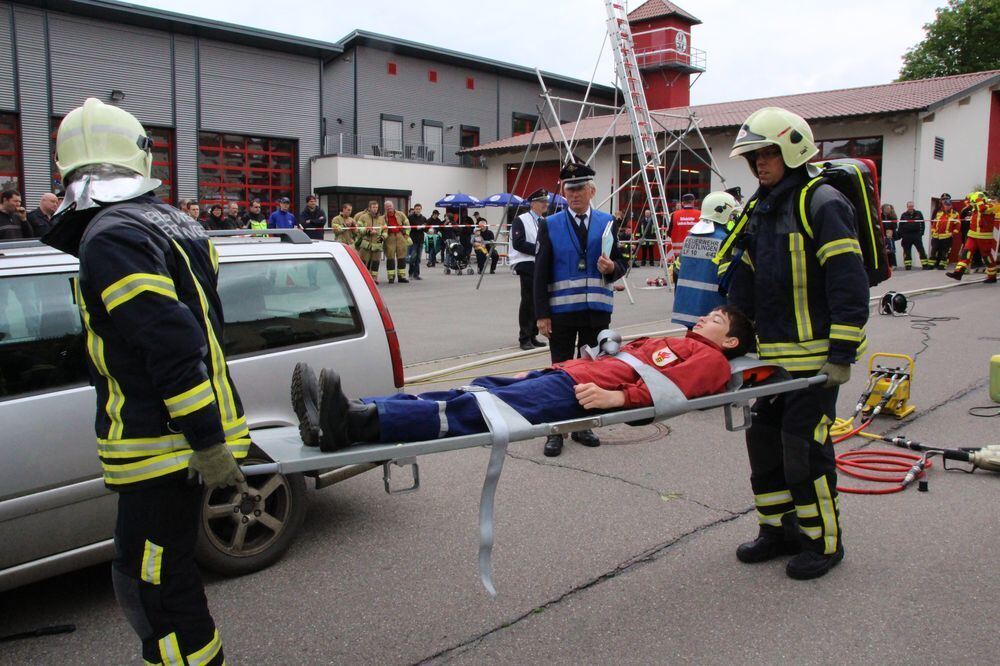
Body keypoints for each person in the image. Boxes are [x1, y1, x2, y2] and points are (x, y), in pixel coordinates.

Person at [41, 98, 246, 665]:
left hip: (163, 446)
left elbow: (171, 346)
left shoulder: (110, 236)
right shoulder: (170, 221)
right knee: (159, 578)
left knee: (155, 589)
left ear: (70, 167)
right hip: (181, 438)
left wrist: (205, 443)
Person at [726, 106, 869, 580]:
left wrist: (841, 356)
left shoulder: (822, 202)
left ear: (792, 149)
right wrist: (731, 340)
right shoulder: (760, 207)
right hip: (771, 361)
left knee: (803, 447)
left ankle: (823, 542)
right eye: (753, 158)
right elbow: (744, 279)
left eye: (766, 154)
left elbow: (848, 283)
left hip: (815, 361)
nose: (759, 164)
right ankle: (778, 530)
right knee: (762, 442)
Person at [296, 306, 753, 451]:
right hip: (567, 374)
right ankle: (350, 412)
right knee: (473, 392)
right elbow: (617, 359)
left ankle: (355, 424)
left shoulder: (709, 359)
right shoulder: (682, 341)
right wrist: (544, 369)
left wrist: (616, 402)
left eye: (717, 320)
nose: (706, 319)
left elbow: (667, 391)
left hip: (582, 392)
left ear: (730, 343)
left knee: (472, 414)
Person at [534, 160, 627, 457]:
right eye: (569, 190)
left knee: (590, 370)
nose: (574, 195)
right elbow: (540, 273)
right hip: (561, 313)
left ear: (591, 190)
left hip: (596, 312)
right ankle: (557, 430)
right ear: (563, 192)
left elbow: (623, 263)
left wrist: (613, 267)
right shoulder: (550, 224)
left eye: (580, 189)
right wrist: (541, 315)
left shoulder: (607, 222)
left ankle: (582, 424)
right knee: (560, 371)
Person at [671, 191, 738, 327]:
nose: (733, 219)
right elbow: (729, 281)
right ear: (722, 214)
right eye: (732, 216)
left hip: (687, 310)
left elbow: (677, 271)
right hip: (713, 313)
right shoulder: (724, 241)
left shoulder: (689, 238)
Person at [510, 189, 549, 350]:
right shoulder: (521, 220)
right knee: (528, 300)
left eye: (546, 201)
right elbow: (518, 243)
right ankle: (524, 337)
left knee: (537, 300)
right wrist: (540, 250)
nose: (545, 204)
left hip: (538, 263)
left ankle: (532, 335)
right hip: (525, 263)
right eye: (542, 202)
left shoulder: (543, 221)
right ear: (533, 204)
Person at [947, 191, 997, 283]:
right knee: (966, 253)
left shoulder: (991, 206)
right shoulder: (975, 208)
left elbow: (982, 209)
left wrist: (978, 199)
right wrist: (973, 198)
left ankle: (992, 276)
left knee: (987, 257)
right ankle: (958, 273)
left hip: (984, 237)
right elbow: (973, 205)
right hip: (972, 235)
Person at [380, 199, 410, 283]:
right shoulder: (383, 218)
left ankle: (402, 277)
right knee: (390, 257)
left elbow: (407, 224)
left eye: (390, 206)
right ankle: (391, 277)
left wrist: (406, 235)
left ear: (393, 206)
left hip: (400, 236)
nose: (389, 208)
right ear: (385, 207)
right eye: (387, 206)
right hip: (389, 237)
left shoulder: (401, 214)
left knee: (401, 257)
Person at [355, 200, 386, 283]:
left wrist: (383, 237)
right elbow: (358, 228)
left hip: (377, 243)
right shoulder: (363, 217)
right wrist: (367, 231)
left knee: (376, 262)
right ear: (369, 208)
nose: (375, 209)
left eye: (376, 207)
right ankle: (364, 279)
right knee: (364, 262)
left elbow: (385, 230)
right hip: (366, 243)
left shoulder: (381, 218)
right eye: (373, 207)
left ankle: (374, 279)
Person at [928, 194, 960, 269]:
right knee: (933, 251)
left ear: (951, 205)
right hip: (936, 236)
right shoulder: (939, 212)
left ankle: (942, 265)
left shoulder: (955, 214)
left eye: (948, 205)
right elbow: (934, 222)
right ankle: (931, 265)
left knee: (944, 252)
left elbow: (958, 224)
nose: (947, 206)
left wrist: (953, 233)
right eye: (946, 205)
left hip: (947, 236)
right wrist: (933, 231)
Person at [668, 193, 701, 259]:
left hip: (678, 252)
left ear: (683, 203)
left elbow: (669, 232)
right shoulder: (700, 214)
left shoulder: (674, 215)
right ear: (693, 202)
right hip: (695, 251)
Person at [898, 200, 929, 270]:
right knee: (907, 251)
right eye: (909, 206)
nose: (910, 208)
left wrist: (921, 233)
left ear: (913, 206)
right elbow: (900, 225)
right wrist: (902, 235)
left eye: (912, 206)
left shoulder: (918, 213)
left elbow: (922, 224)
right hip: (907, 236)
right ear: (907, 207)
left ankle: (925, 265)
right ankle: (908, 266)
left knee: (921, 250)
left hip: (916, 235)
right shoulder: (904, 215)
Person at [407, 203, 427, 280]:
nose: (418, 210)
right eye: (416, 209)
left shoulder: (423, 218)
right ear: (414, 209)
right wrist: (418, 227)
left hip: (421, 240)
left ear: (421, 209)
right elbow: (409, 228)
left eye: (419, 209)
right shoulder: (410, 218)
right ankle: (410, 273)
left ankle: (416, 274)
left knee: (418, 258)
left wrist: (426, 229)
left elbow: (425, 229)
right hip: (413, 240)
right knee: (412, 257)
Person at [880, 203, 898, 268]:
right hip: (882, 235)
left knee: (891, 250)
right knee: (883, 250)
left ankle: (893, 264)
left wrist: (891, 232)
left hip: (890, 235)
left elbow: (895, 225)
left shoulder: (892, 216)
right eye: (887, 209)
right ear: (883, 209)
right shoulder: (880, 216)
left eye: (889, 209)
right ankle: (885, 264)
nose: (888, 210)